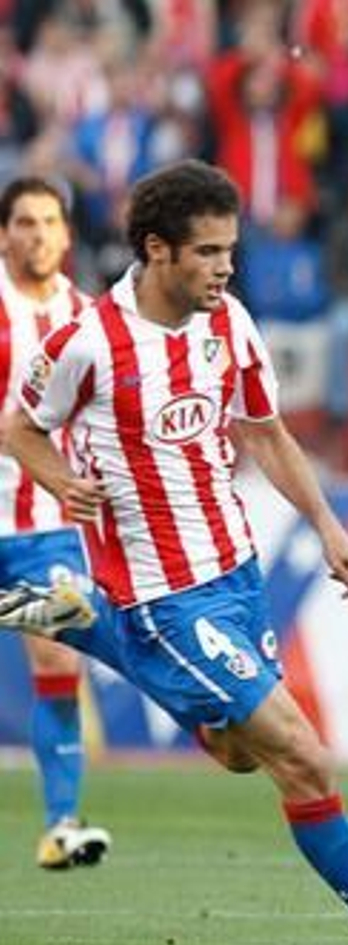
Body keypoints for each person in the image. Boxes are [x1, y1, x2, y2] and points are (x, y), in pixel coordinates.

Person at [0, 160, 348, 945]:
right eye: (207, 252)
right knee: (302, 755)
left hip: (235, 572)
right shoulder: (88, 340)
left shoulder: (229, 322)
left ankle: (88, 622)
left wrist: (329, 526)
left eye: (230, 249)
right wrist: (60, 482)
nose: (225, 267)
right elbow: (18, 427)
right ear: (157, 251)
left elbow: (263, 431)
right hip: (163, 593)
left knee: (237, 755)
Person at [0, 175, 106, 870]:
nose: (38, 235)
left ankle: (62, 823)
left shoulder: (88, 319)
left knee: (58, 653)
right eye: (24, 223)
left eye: (49, 223)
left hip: (45, 522)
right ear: (5, 234)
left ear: (67, 235)